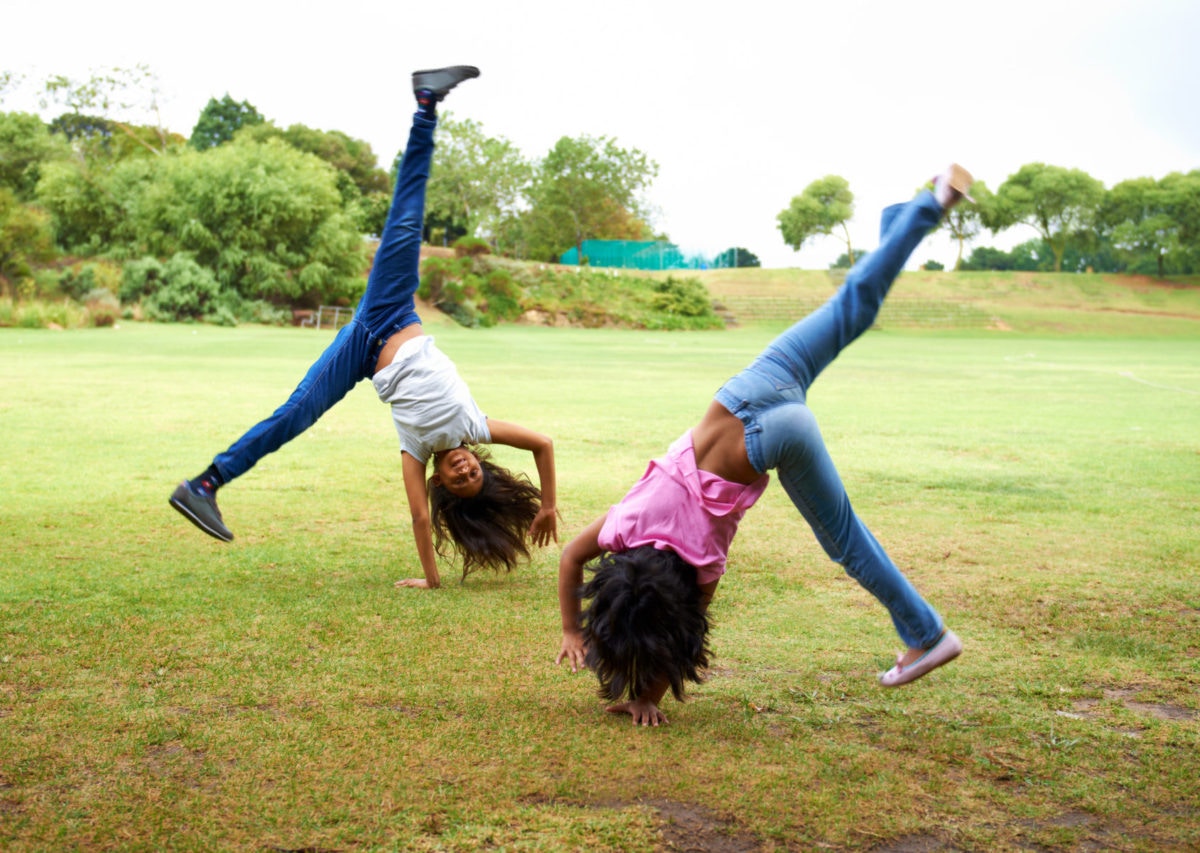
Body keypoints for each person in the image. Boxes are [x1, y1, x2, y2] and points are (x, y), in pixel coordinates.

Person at [555, 166, 974, 725]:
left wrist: (645, 694)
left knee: (846, 539)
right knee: (855, 304)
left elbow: (684, 636)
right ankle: (922, 209)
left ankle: (928, 633)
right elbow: (571, 558)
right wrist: (568, 623)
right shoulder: (623, 526)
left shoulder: (701, 567)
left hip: (774, 440)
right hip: (750, 389)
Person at [170, 66, 558, 589]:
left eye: (457, 481)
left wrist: (432, 579)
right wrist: (549, 505)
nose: (465, 472)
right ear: (481, 465)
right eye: (474, 475)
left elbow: (421, 519)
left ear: (441, 481)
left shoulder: (415, 452)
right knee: (405, 222)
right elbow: (543, 445)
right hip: (392, 313)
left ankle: (204, 485)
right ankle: (426, 105)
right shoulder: (474, 425)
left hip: (360, 350)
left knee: (295, 415)